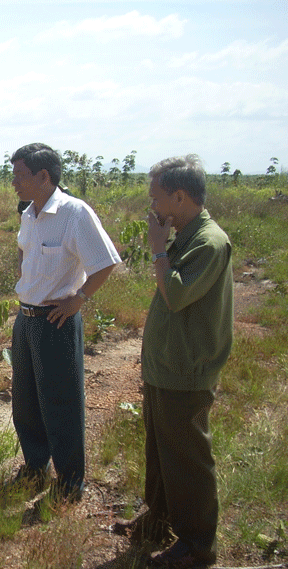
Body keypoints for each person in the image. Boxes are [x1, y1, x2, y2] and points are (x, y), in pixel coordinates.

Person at [113, 155, 233, 568]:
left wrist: (157, 250)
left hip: (187, 370)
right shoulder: (187, 234)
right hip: (167, 367)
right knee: (161, 449)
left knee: (187, 458)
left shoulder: (209, 242)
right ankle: (159, 521)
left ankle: (197, 545)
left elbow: (177, 294)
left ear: (180, 197)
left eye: (157, 199)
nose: (153, 209)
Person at [10, 143, 120, 502]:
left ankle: (71, 482)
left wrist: (79, 299)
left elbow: (104, 262)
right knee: (26, 402)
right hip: (26, 319)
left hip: (56, 320)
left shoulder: (74, 213)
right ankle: (35, 469)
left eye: (20, 175)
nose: (14, 182)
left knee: (61, 402)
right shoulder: (29, 214)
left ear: (44, 176)